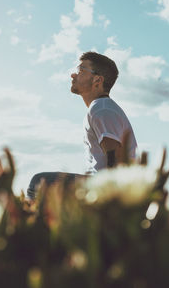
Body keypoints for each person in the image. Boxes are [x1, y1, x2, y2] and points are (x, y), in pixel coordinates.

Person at [27, 51, 137, 199]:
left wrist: (111, 199)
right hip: (98, 183)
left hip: (102, 186)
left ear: (97, 80)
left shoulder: (101, 108)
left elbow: (115, 158)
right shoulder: (101, 107)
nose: (73, 75)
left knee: (38, 182)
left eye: (80, 71)